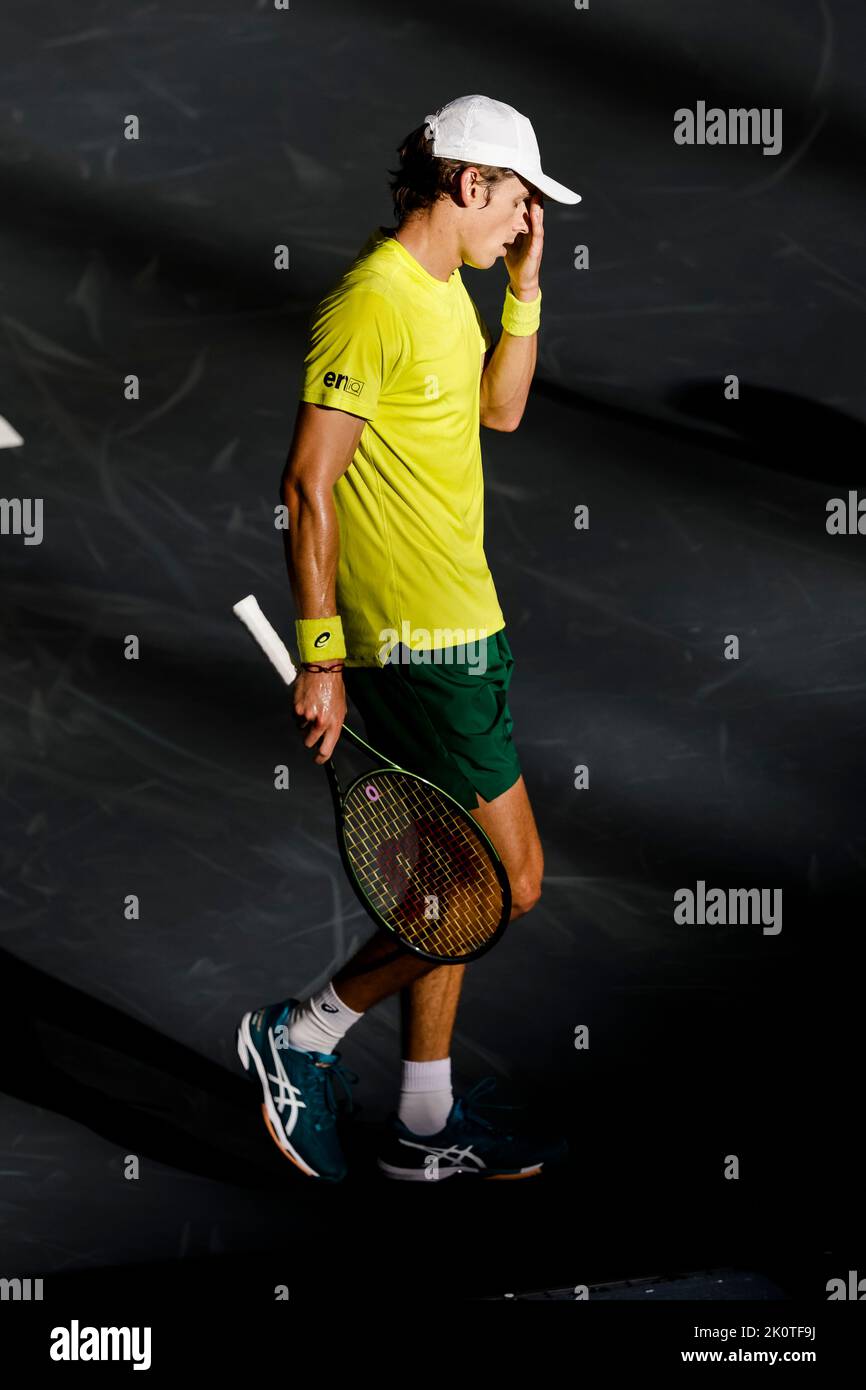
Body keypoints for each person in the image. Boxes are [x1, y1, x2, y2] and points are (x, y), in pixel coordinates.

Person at [237, 95, 581, 1182]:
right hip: (417, 650)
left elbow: (499, 413)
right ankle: (304, 1031)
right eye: (518, 198)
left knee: (441, 888)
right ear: (469, 184)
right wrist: (323, 653)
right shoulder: (372, 301)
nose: (525, 219)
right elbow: (306, 479)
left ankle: (423, 1124)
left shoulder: (447, 292)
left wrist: (523, 293)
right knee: (506, 884)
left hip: (464, 633)